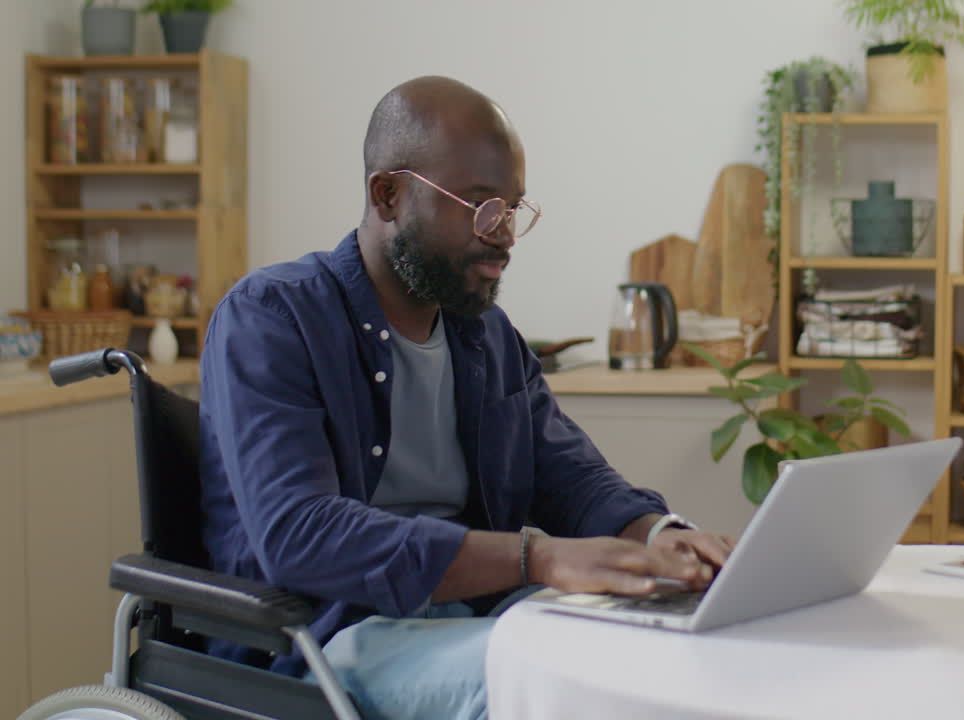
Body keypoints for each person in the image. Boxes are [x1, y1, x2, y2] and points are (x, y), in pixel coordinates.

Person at [198, 75, 735, 719]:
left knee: (666, 653)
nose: (504, 233)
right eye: (481, 204)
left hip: (474, 619)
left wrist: (655, 534)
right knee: (571, 692)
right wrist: (536, 557)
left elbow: (569, 475)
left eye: (513, 208)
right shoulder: (273, 318)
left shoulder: (485, 335)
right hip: (333, 639)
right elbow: (299, 533)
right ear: (389, 194)